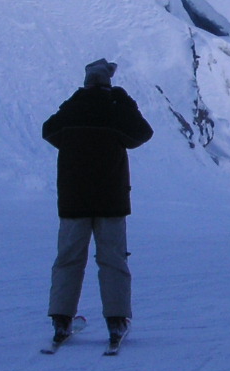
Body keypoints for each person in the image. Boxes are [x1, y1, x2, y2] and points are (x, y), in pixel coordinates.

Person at [42, 57, 153, 352]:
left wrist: (76, 101)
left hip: (73, 200)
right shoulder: (115, 110)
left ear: (86, 82)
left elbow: (48, 130)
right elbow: (143, 133)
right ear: (108, 83)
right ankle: (116, 321)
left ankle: (61, 320)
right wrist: (125, 100)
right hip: (111, 200)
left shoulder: (74, 109)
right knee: (113, 261)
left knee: (68, 260)